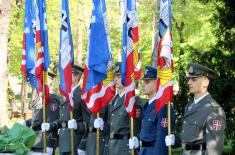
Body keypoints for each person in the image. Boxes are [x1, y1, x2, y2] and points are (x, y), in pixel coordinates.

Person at [165, 63, 226, 155]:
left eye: (194, 79)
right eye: (189, 79)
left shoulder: (214, 110)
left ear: (205, 82)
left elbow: (214, 149)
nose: (189, 82)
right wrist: (176, 139)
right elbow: (191, 135)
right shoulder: (190, 105)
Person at [41, 65, 87, 155]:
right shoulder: (65, 95)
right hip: (63, 141)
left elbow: (87, 121)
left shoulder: (82, 95)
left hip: (75, 140)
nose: (65, 77)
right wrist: (51, 125)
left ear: (77, 76)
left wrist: (83, 142)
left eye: (69, 74)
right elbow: (63, 119)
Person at [129, 66, 175, 155]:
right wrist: (138, 142)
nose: (143, 84)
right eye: (143, 81)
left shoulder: (163, 107)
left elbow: (161, 139)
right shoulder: (146, 106)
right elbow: (146, 133)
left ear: (157, 83)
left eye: (147, 82)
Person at [105, 62, 142, 155]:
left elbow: (136, 127)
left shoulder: (133, 100)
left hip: (124, 148)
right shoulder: (114, 100)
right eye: (115, 76)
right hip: (112, 147)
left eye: (119, 76)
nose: (115, 79)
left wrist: (136, 144)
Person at [28, 71, 62, 155]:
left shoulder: (53, 98)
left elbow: (53, 120)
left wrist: (50, 143)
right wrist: (27, 122)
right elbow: (38, 117)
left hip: (46, 140)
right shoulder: (39, 98)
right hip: (36, 139)